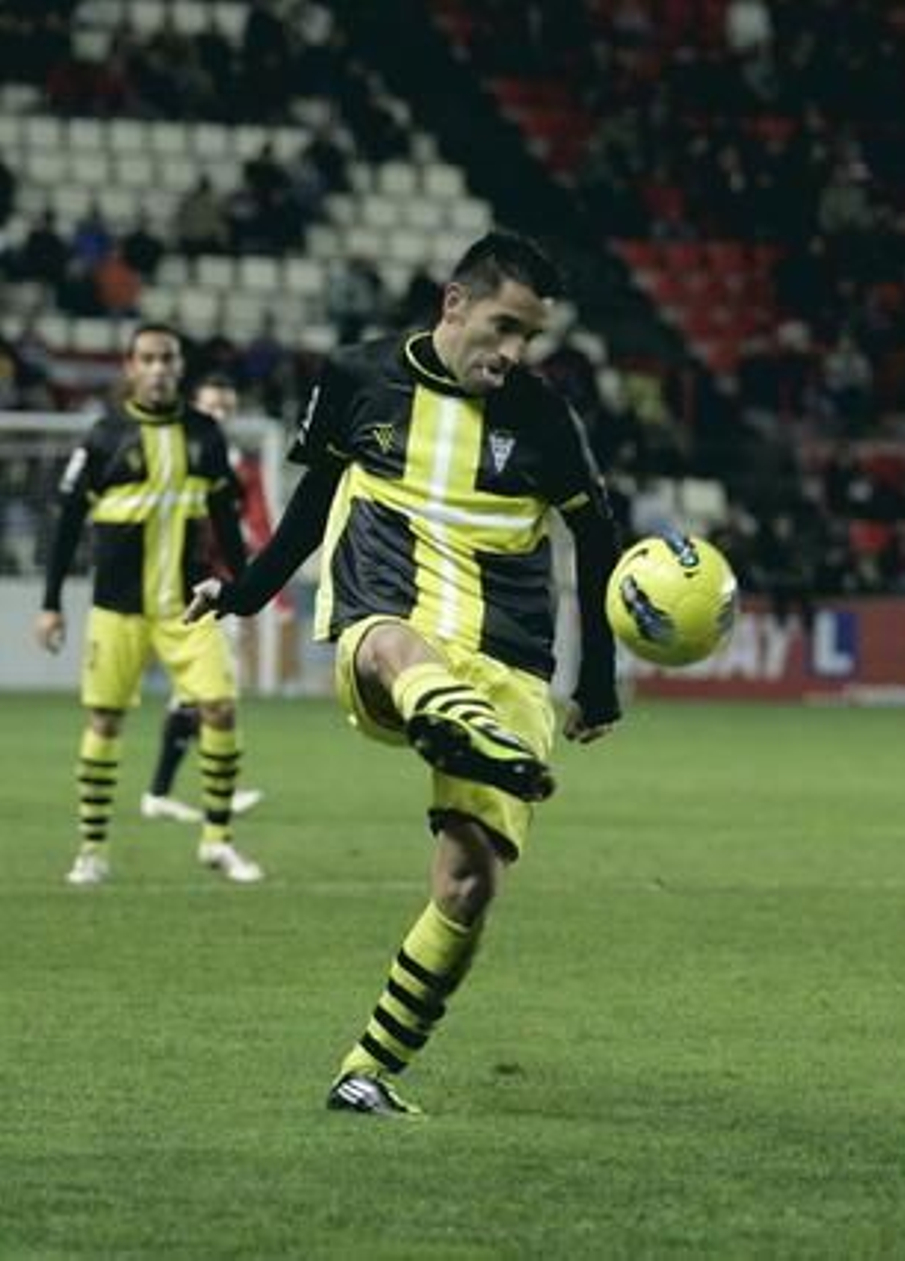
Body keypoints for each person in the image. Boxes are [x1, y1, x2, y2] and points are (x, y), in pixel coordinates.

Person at [185, 230, 622, 1117]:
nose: (514, 352)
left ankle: (368, 1069)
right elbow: (312, 507)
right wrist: (244, 592)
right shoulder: (357, 377)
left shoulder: (544, 417)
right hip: (391, 620)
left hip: (509, 659)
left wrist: (599, 682)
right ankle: (451, 716)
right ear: (454, 303)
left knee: (469, 883)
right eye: (503, 327)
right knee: (388, 642)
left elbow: (597, 538)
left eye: (530, 337)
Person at [35, 323, 264, 886]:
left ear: (179, 367)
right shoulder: (104, 436)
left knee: (221, 708)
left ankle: (217, 841)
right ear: (130, 367)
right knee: (105, 720)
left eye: (168, 358)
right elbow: (66, 524)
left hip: (189, 606)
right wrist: (51, 603)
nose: (159, 368)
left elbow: (226, 518)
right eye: (148, 358)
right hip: (117, 609)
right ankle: (91, 850)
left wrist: (244, 589)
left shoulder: (205, 434)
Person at [142, 373, 268, 825]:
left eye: (226, 408)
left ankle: (164, 793)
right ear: (193, 407)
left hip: (223, 591)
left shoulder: (239, 466)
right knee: (210, 693)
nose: (219, 415)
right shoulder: (176, 456)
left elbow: (258, 526)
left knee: (196, 696)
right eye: (211, 406)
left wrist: (254, 581)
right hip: (186, 590)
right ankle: (205, 793)